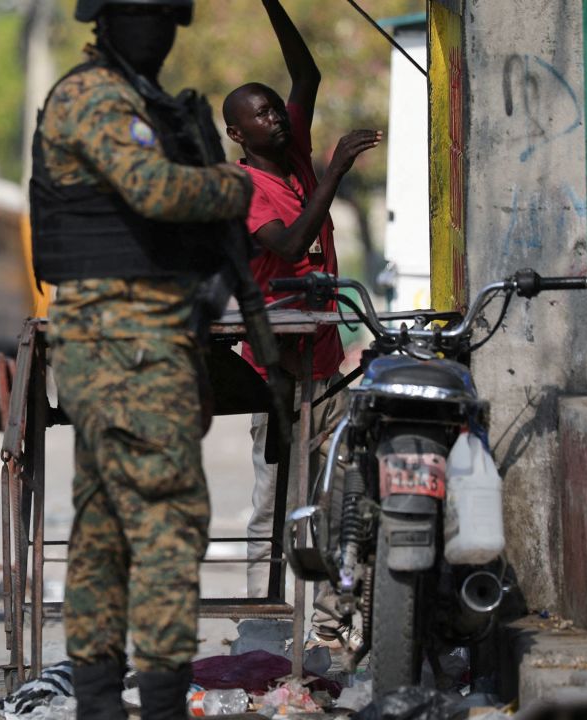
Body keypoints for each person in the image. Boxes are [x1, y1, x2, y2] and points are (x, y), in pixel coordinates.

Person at [31, 1, 258, 717]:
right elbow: (152, 188)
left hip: (143, 332)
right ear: (107, 18)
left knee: (103, 528)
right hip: (123, 336)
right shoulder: (95, 94)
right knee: (169, 519)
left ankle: (100, 702)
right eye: (143, 11)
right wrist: (234, 186)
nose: (156, 26)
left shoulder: (144, 98)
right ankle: (158, 703)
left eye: (165, 12)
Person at [221, 0, 380, 638]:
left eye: (273, 109)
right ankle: (262, 621)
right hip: (276, 368)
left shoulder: (297, 162)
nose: (274, 119)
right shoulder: (249, 188)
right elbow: (288, 246)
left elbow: (306, 76)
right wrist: (337, 170)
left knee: (333, 492)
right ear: (238, 135)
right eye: (259, 115)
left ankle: (325, 620)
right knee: (277, 497)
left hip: (323, 359)